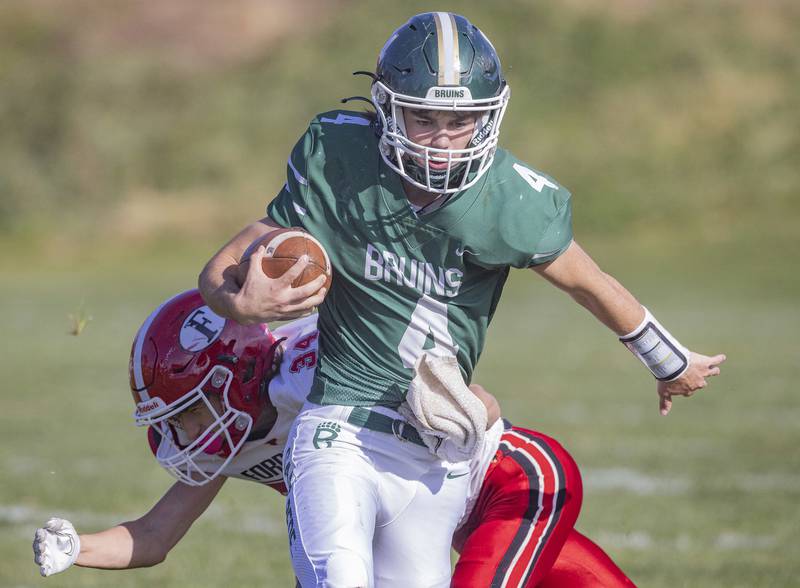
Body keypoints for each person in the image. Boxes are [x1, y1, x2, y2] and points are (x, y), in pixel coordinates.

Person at [198, 11, 725, 586]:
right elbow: (223, 266)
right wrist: (239, 305)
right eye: (423, 117)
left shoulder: (511, 199)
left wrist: (669, 361)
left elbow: (589, 283)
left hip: (435, 452)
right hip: (338, 428)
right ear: (386, 107)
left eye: (462, 119)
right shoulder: (339, 156)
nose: (444, 138)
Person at [33, 290, 634, 586]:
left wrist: (446, 398)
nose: (180, 434)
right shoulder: (233, 438)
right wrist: (74, 545)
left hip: (510, 484)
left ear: (236, 375)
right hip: (443, 525)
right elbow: (156, 535)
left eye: (189, 413)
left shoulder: (313, 370)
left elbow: (478, 403)